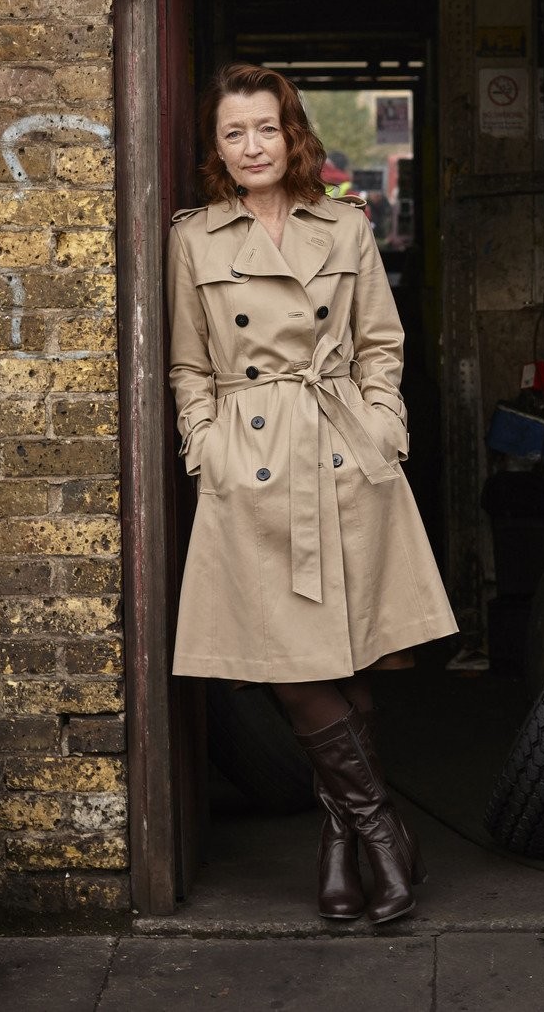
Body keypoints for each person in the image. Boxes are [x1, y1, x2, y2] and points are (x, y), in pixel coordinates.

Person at [167, 63, 457, 923]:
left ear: (293, 136)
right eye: (234, 133)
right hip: (251, 469)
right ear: (217, 148)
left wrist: (380, 431)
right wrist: (208, 451)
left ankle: (341, 849)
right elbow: (188, 365)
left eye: (267, 128)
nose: (252, 146)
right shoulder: (196, 239)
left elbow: (381, 345)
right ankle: (381, 837)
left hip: (342, 459)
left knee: (352, 657)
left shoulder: (347, 226)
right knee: (298, 670)